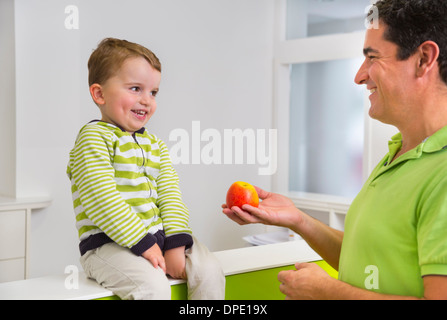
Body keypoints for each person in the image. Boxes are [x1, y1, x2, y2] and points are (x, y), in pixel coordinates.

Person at [223, 0, 447, 299]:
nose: (359, 75)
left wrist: (329, 293)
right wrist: (298, 220)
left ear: (423, 59)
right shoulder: (399, 154)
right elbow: (369, 261)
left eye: (372, 57)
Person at [67, 38, 225, 300]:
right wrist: (145, 244)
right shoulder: (92, 137)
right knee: (153, 286)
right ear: (99, 94)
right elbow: (101, 200)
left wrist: (174, 243)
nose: (146, 100)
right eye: (135, 88)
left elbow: (171, 196)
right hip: (106, 246)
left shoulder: (156, 145)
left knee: (209, 269)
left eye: (153, 92)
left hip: (157, 239)